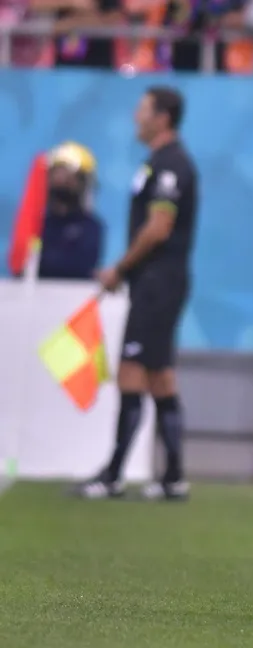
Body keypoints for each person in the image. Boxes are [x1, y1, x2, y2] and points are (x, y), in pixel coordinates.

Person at [76, 86, 198, 502]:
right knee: (159, 375)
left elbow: (159, 228)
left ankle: (113, 476)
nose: (135, 116)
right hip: (159, 283)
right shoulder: (157, 163)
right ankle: (173, 478)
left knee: (131, 370)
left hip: (157, 283)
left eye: (143, 110)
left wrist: (120, 269)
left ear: (162, 117)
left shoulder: (171, 165)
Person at [37, 141, 104, 281]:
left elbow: (79, 267)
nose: (63, 181)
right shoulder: (38, 224)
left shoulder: (90, 227)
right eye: (58, 174)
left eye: (70, 177)